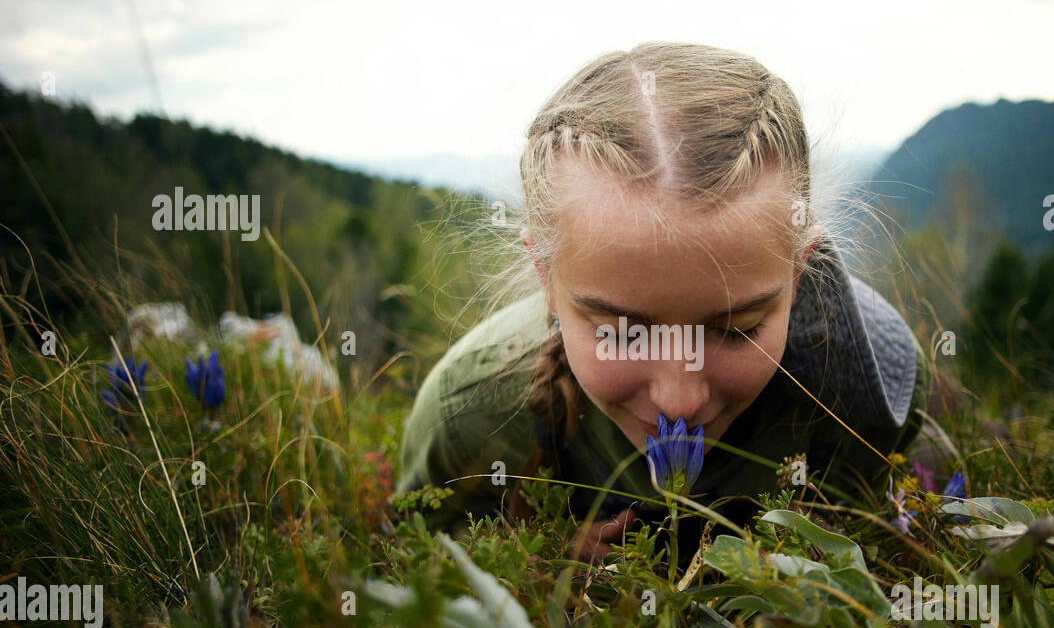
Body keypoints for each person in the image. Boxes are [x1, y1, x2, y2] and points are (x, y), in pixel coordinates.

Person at [393, 42, 931, 561]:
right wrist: (531, 557)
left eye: (737, 329)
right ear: (545, 274)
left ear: (799, 272)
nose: (678, 401)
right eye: (623, 332)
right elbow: (413, 552)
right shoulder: (469, 414)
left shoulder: (870, 393)